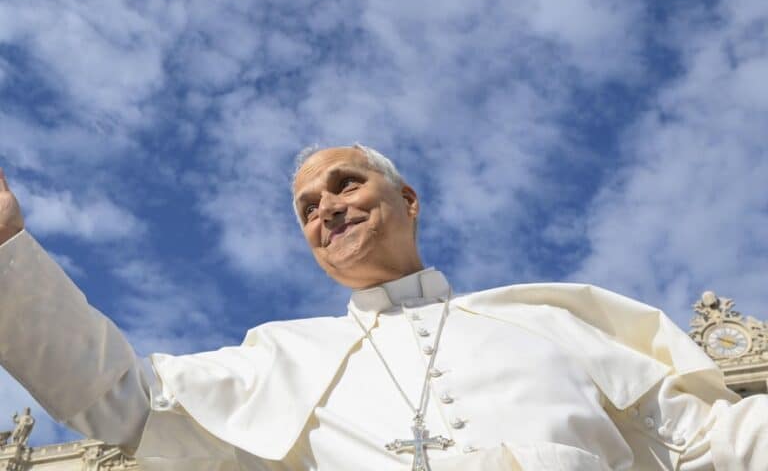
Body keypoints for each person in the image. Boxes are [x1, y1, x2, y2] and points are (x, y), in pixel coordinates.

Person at [0, 145, 766, 471]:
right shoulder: (279, 359)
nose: (326, 208)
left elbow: (716, 441)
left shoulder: (553, 322)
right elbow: (120, 399)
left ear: (406, 198)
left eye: (344, 184)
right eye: (306, 207)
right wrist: (7, 252)